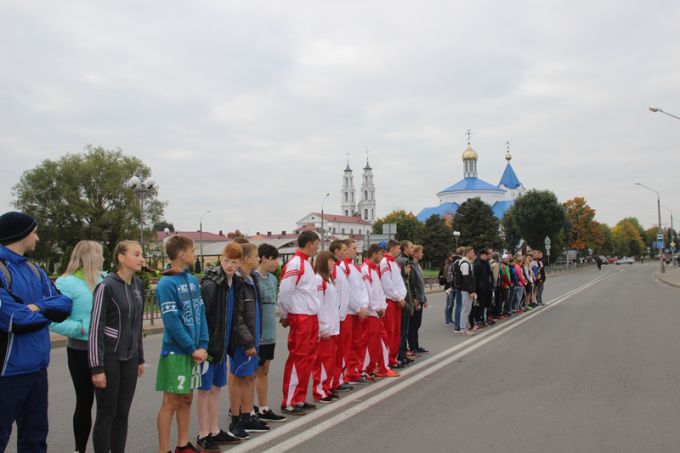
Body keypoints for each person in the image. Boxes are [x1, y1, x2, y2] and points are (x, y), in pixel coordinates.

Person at [0, 211, 72, 453]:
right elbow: (16, 319)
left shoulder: (34, 269)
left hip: (37, 369)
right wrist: (44, 312)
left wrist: (38, 306)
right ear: (21, 234)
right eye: (35, 231)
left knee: (35, 440)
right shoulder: (1, 269)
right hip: (7, 372)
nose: (38, 237)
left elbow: (64, 305)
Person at [89, 240, 146, 453]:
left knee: (122, 414)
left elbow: (137, 324)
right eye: (137, 254)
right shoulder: (106, 286)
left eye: (142, 254)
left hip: (130, 359)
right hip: (109, 359)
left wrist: (140, 357)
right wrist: (97, 368)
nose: (142, 258)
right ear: (121, 258)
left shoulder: (138, 285)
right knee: (107, 415)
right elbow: (95, 328)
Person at [155, 236, 209, 453]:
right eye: (192, 250)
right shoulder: (166, 284)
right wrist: (191, 348)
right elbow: (172, 321)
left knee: (187, 397)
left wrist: (203, 344)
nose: (195, 254)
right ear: (180, 254)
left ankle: (183, 445)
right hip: (176, 352)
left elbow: (201, 312)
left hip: (195, 351)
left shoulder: (193, 280)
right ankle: (163, 449)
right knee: (171, 401)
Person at [51, 241, 105, 453]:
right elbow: (53, 319)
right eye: (100, 255)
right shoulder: (66, 283)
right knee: (84, 402)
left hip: (104, 350)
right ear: (90, 256)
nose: (103, 259)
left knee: (106, 407)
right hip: (80, 350)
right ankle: (79, 449)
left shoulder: (104, 279)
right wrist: (83, 328)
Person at [196, 243, 243, 446]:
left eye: (234, 262)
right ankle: (203, 433)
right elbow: (203, 316)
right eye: (226, 261)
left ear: (240, 262)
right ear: (220, 259)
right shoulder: (212, 283)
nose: (229, 266)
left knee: (216, 389)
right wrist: (203, 345)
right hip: (210, 346)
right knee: (204, 390)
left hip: (222, 345)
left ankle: (214, 430)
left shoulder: (235, 282)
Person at [228, 243, 269, 436]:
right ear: (245, 259)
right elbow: (237, 316)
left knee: (249, 376)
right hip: (243, 341)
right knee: (239, 378)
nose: (258, 259)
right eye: (255, 255)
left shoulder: (251, 278)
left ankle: (247, 415)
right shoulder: (237, 282)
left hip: (253, 338)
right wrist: (247, 341)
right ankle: (236, 420)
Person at [278, 231, 321, 415]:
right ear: (309, 243)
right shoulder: (295, 263)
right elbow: (285, 292)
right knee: (298, 359)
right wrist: (285, 314)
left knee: (308, 359)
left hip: (310, 317)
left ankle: (300, 398)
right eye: (317, 244)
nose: (318, 247)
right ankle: (289, 401)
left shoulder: (307, 264)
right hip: (301, 317)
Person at [252, 243, 287, 422]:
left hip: (269, 331)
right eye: (273, 259)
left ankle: (264, 407)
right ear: (263, 258)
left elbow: (275, 302)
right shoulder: (253, 278)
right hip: (256, 332)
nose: (276, 263)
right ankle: (247, 407)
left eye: (277, 259)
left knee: (264, 369)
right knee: (251, 371)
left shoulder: (273, 279)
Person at [362, 244, 399, 379]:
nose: (381, 257)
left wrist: (382, 305)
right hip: (372, 313)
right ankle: (376, 368)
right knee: (375, 342)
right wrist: (376, 307)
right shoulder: (365, 269)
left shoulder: (374, 269)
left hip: (377, 312)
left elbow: (379, 290)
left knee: (380, 341)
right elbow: (368, 291)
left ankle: (378, 367)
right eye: (380, 254)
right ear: (374, 254)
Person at [312, 251, 340, 403]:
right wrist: (323, 328)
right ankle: (319, 390)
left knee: (330, 360)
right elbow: (319, 306)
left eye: (334, 261)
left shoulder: (329, 280)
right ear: (323, 262)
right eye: (330, 260)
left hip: (333, 327)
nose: (333, 263)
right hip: (325, 329)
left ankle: (326, 387)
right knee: (322, 360)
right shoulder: (318, 281)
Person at [342, 239, 370, 385]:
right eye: (353, 248)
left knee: (357, 343)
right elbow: (346, 292)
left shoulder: (355, 267)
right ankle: (344, 374)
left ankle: (354, 371)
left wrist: (364, 305)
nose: (356, 250)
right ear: (345, 249)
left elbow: (362, 288)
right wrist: (357, 308)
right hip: (349, 312)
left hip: (358, 312)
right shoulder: (343, 267)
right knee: (347, 345)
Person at [329, 240, 353, 393]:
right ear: (336, 251)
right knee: (336, 351)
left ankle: (338, 378)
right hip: (337, 317)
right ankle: (334, 380)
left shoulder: (340, 268)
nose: (345, 252)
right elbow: (334, 294)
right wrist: (337, 313)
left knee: (341, 350)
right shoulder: (335, 269)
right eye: (343, 249)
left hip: (342, 315)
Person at [379, 240, 407, 369]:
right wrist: (397, 297)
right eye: (397, 248)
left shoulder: (394, 263)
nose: (399, 251)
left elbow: (400, 283)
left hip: (397, 301)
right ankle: (387, 359)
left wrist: (402, 296)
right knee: (389, 331)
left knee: (396, 331)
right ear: (391, 248)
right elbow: (387, 284)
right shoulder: (385, 262)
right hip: (390, 301)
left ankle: (393, 358)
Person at [409, 245, 428, 353]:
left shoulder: (417, 265)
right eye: (420, 252)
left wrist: (424, 298)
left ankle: (416, 345)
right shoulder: (411, 266)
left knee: (417, 324)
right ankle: (412, 346)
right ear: (415, 253)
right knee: (413, 324)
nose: (422, 254)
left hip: (420, 297)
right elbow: (414, 284)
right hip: (416, 299)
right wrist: (416, 300)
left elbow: (421, 283)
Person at [455, 247, 476, 336]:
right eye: (472, 252)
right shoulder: (465, 264)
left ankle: (465, 327)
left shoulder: (467, 263)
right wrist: (471, 291)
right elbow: (466, 279)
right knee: (465, 310)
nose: (473, 254)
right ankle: (463, 329)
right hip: (466, 291)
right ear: (467, 253)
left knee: (467, 309)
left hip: (467, 290)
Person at [472, 249, 491, 330]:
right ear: (482, 255)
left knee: (483, 305)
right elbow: (475, 278)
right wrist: (476, 289)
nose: (486, 257)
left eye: (487, 255)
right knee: (478, 305)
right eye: (485, 255)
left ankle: (482, 319)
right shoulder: (478, 264)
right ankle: (477, 320)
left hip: (485, 288)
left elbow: (488, 275)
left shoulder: (486, 264)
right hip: (479, 289)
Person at [440, 252, 456, 326]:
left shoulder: (450, 264)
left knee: (451, 304)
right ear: (449, 257)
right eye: (453, 256)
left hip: (450, 286)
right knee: (449, 304)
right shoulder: (447, 265)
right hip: (448, 287)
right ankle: (447, 320)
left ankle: (450, 319)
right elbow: (447, 277)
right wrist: (450, 286)